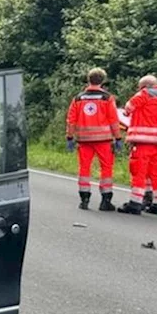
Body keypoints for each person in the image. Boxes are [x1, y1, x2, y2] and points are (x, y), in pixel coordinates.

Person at [65, 68, 123, 211]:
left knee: (84, 168)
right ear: (102, 81)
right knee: (106, 168)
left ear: (88, 79)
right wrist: (118, 138)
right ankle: (105, 200)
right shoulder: (107, 98)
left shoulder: (78, 98)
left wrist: (70, 137)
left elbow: (71, 120)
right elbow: (113, 120)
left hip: (84, 140)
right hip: (103, 140)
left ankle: (84, 199)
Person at [118, 75, 157, 216]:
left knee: (139, 170)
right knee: (155, 172)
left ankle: (135, 203)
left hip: (144, 140)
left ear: (144, 86)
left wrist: (126, 113)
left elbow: (128, 108)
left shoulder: (146, 93)